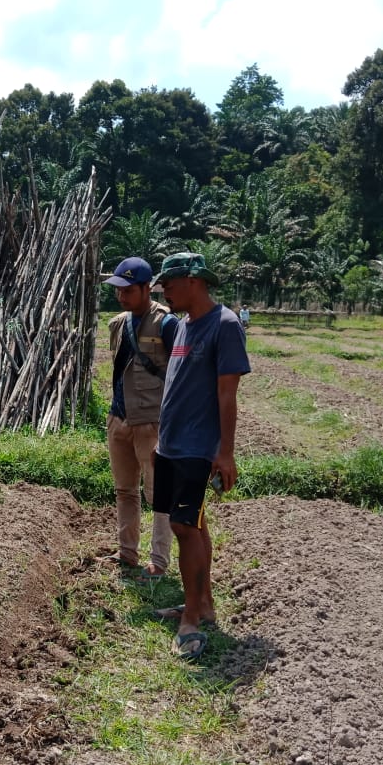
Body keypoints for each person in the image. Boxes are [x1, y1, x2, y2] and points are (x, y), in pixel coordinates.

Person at [151, 252, 250, 661]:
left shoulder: (224, 325)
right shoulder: (183, 326)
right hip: (170, 445)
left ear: (193, 281)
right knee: (191, 524)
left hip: (197, 447)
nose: (165, 294)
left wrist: (224, 453)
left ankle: (190, 618)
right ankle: (202, 604)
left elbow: (228, 396)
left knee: (183, 524)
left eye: (169, 286)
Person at [103, 257, 177, 580]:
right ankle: (127, 553)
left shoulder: (166, 323)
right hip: (119, 418)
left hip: (151, 421)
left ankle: (158, 563)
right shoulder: (118, 324)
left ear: (147, 288)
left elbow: (179, 375)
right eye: (118, 290)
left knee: (157, 494)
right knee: (125, 490)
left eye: (128, 290)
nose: (121, 297)